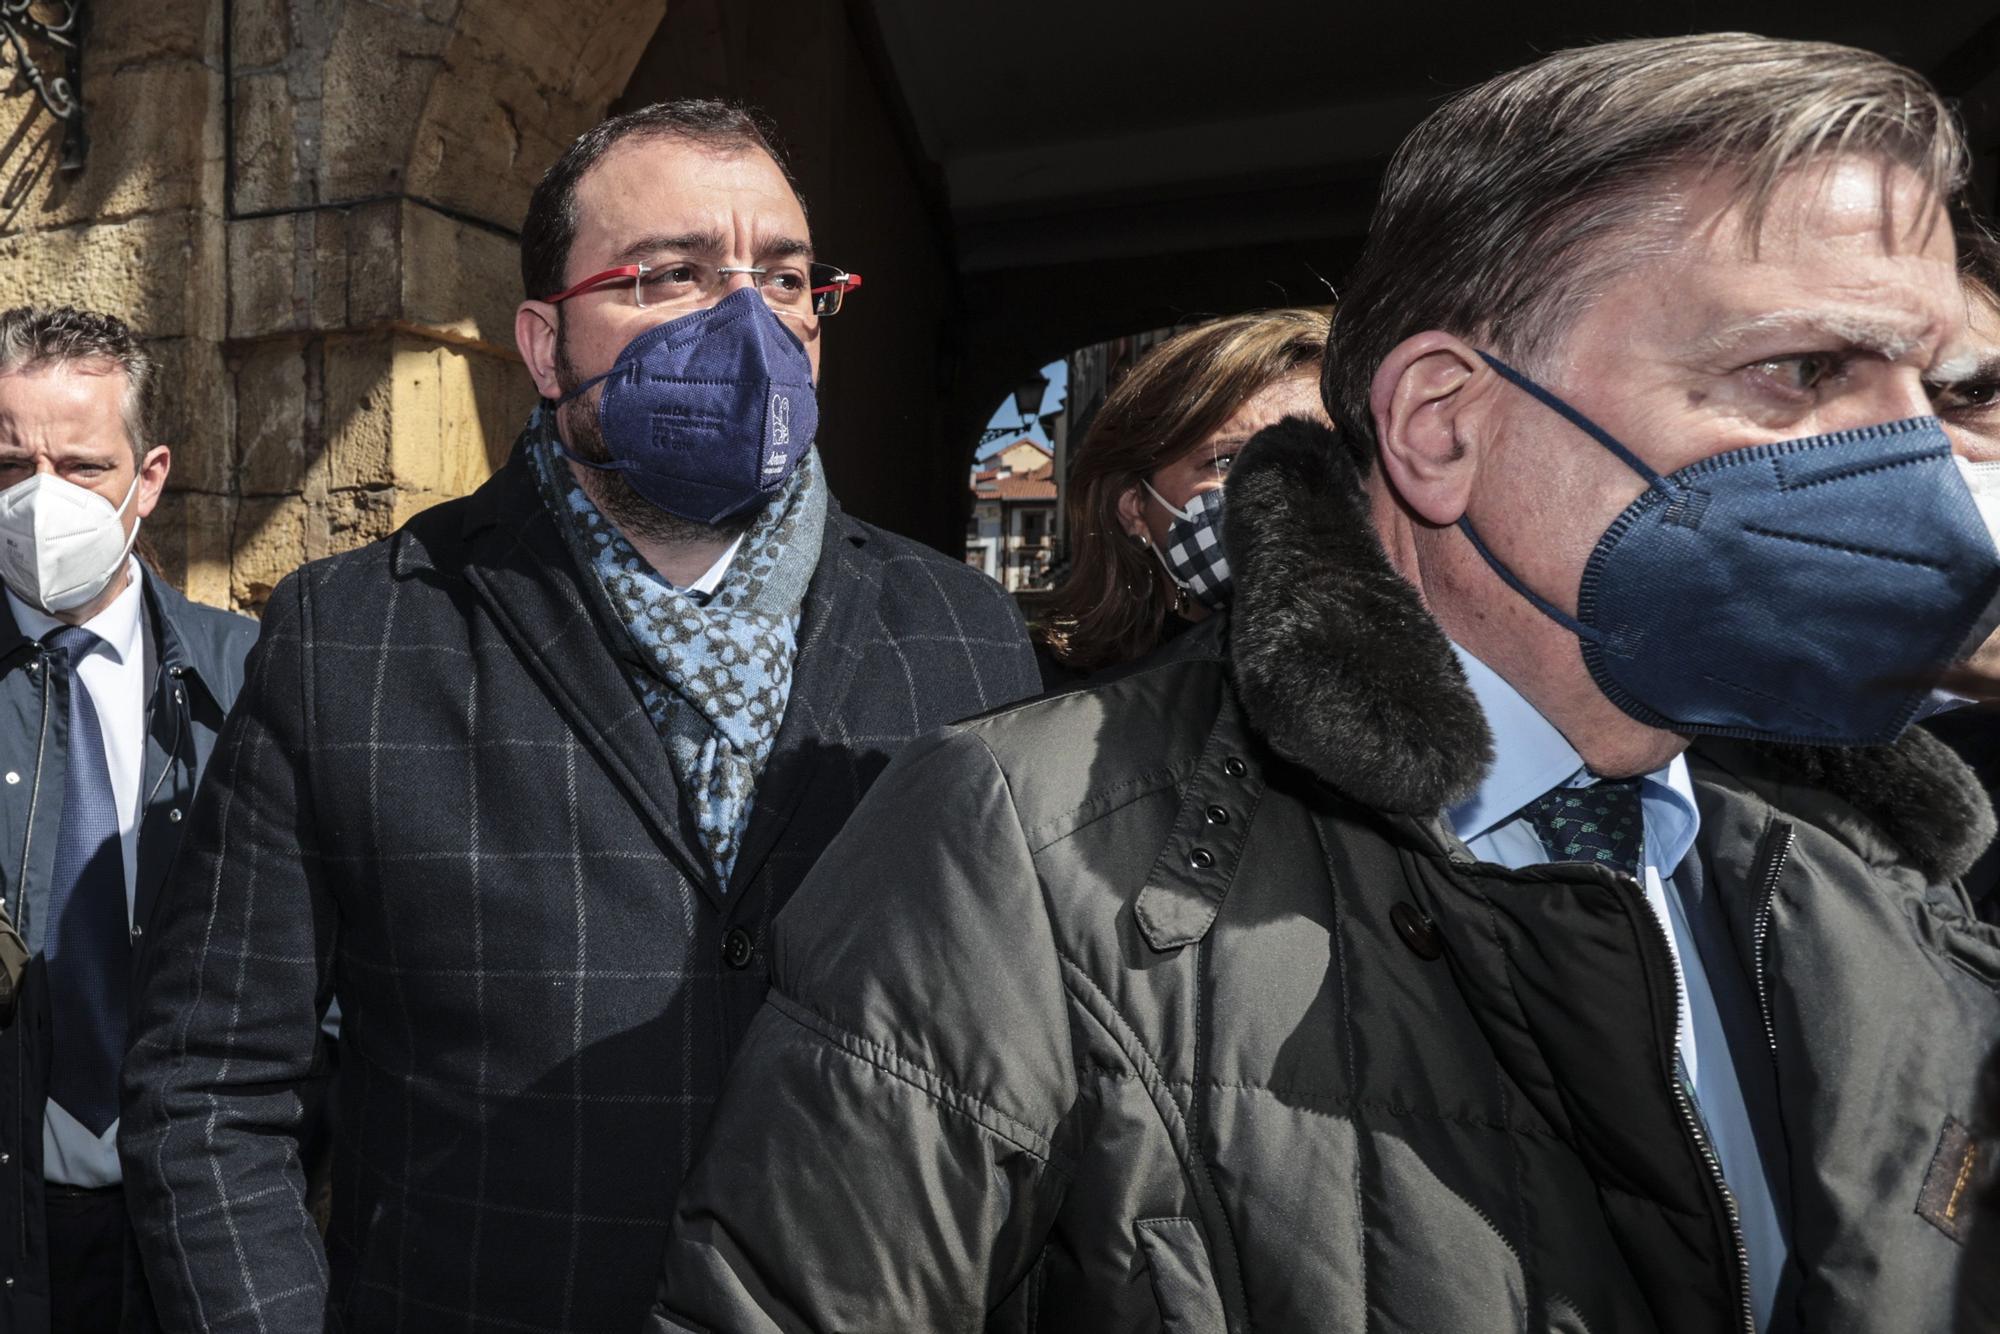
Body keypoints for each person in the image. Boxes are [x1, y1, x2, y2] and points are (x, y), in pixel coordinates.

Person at [645, 36, 2000, 1334]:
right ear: (1441, 425)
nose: (1911, 460)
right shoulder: (1033, 854)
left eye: (1936, 383)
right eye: (1802, 369)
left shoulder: (1883, 864)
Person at [118, 100, 1039, 1333]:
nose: (748, 321)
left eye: (785, 277)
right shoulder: (356, 632)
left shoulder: (962, 634)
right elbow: (210, 1086)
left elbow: (1028, 1074)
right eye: (670, 274)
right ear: (546, 348)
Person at [0, 308, 256, 1334]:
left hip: (188, 1234)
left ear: (148, 477)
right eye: (10, 463)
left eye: (82, 465)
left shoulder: (251, 677)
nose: (38, 499)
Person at [1033, 309, 1329, 690]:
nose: (1285, 489)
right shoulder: (1054, 698)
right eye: (1225, 460)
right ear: (1134, 506)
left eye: (1324, 452)